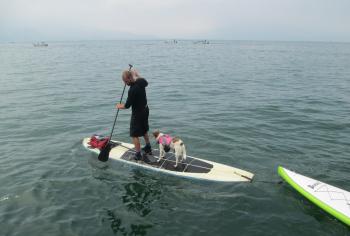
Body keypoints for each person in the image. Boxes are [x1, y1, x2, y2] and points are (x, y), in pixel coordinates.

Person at [116, 69, 152, 161]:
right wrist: (137, 75)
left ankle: (138, 154)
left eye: (125, 81)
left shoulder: (132, 90)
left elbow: (127, 106)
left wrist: (119, 106)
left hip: (138, 113)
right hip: (145, 110)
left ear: (128, 79)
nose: (125, 83)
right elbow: (145, 82)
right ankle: (148, 146)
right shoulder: (141, 82)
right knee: (144, 129)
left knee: (134, 134)